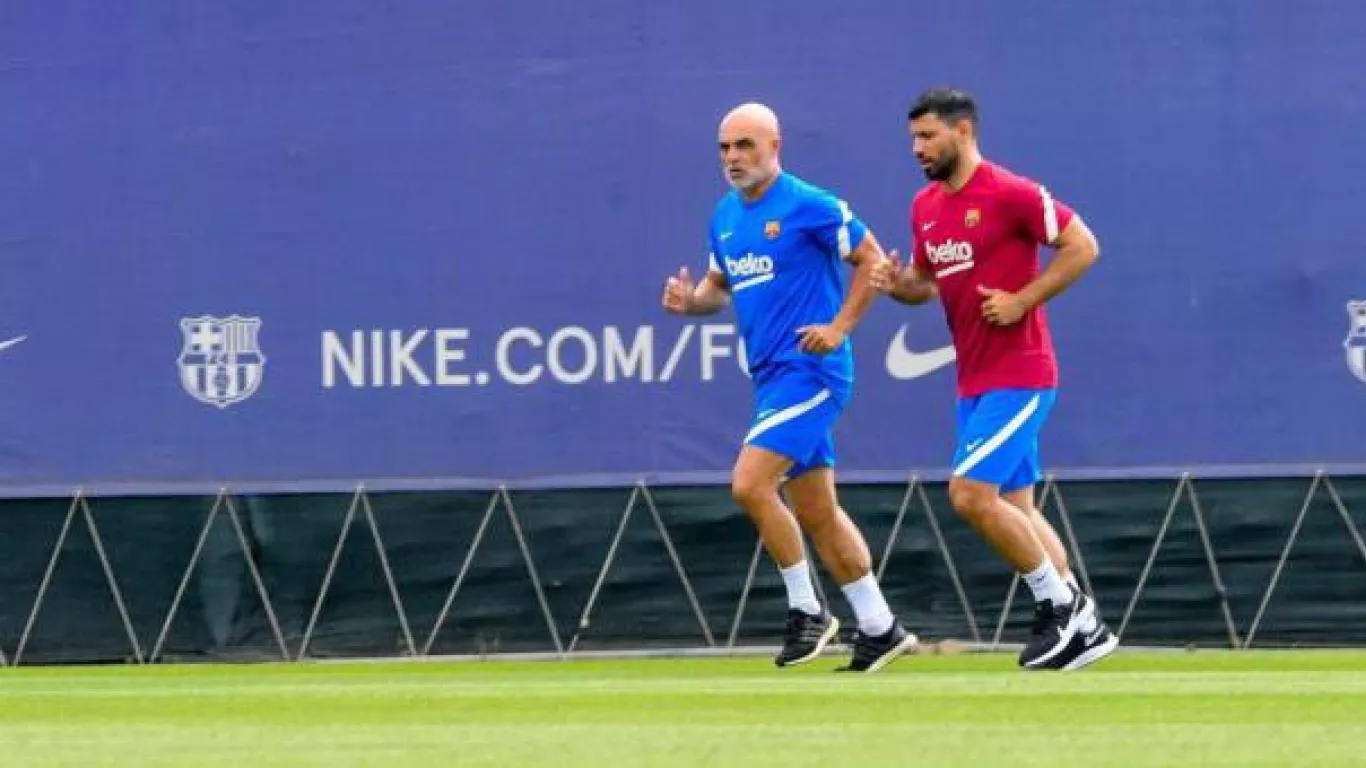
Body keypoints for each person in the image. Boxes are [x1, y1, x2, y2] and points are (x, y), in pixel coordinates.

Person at [662, 102, 917, 672]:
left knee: (750, 485)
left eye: (745, 145)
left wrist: (840, 327)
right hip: (772, 379)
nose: (733, 157)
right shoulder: (725, 216)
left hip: (813, 372)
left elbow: (872, 258)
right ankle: (879, 625)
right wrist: (691, 304)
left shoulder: (810, 205)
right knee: (818, 512)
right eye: (725, 147)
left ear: (775, 146)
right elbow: (718, 289)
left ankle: (808, 610)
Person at [871, 88, 1118, 670]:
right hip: (975, 381)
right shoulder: (925, 207)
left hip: (1022, 373)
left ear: (963, 132)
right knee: (1017, 506)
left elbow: (1083, 247)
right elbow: (924, 285)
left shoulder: (1011, 193)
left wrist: (1022, 300)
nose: (917, 148)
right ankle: (1085, 625)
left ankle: (1057, 607)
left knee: (969, 494)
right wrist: (895, 282)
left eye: (928, 136)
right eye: (913, 138)